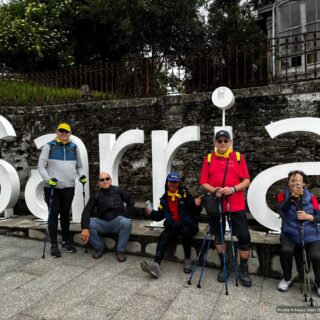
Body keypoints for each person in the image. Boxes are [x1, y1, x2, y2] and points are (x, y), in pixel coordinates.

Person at [199, 130, 252, 287]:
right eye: (219, 140)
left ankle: (243, 268)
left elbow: (247, 180)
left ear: (230, 142)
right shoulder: (208, 159)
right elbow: (203, 182)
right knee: (219, 236)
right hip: (217, 204)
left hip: (236, 204)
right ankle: (225, 265)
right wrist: (214, 190)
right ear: (215, 143)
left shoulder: (238, 157)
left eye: (225, 140)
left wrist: (233, 189)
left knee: (243, 236)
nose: (222, 143)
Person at [38, 122, 86, 258]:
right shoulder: (49, 147)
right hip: (52, 188)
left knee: (65, 214)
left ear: (70, 133)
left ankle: (65, 241)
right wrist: (48, 179)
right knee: (53, 214)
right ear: (57, 132)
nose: (64, 133)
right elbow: (41, 166)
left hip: (69, 187)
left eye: (66, 131)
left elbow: (80, 167)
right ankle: (54, 245)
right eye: (61, 131)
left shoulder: (74, 148)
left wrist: (81, 176)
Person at [140, 172, 201, 279]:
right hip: (173, 225)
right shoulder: (164, 199)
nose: (172, 184)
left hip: (188, 224)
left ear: (178, 183)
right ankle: (156, 264)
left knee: (185, 232)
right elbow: (159, 215)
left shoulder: (185, 194)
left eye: (175, 182)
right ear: (167, 183)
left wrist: (197, 205)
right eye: (170, 182)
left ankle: (187, 260)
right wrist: (151, 213)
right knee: (163, 237)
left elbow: (195, 211)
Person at [277, 170, 320, 296]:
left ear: (304, 184)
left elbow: (318, 216)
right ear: (288, 183)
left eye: (299, 181)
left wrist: (309, 217)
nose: (296, 183)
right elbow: (281, 209)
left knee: (317, 256)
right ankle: (287, 278)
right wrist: (292, 197)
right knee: (285, 251)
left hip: (311, 233)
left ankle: (318, 282)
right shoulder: (282, 195)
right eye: (292, 180)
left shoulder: (312, 197)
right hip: (290, 233)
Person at [80, 172, 134, 262]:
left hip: (117, 221)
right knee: (87, 223)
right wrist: (85, 228)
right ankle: (100, 247)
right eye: (102, 180)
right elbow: (86, 211)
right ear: (99, 183)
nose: (105, 181)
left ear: (110, 180)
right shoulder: (96, 195)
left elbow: (131, 201)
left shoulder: (118, 191)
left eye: (107, 179)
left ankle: (120, 250)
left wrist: (125, 215)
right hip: (102, 222)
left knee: (126, 223)